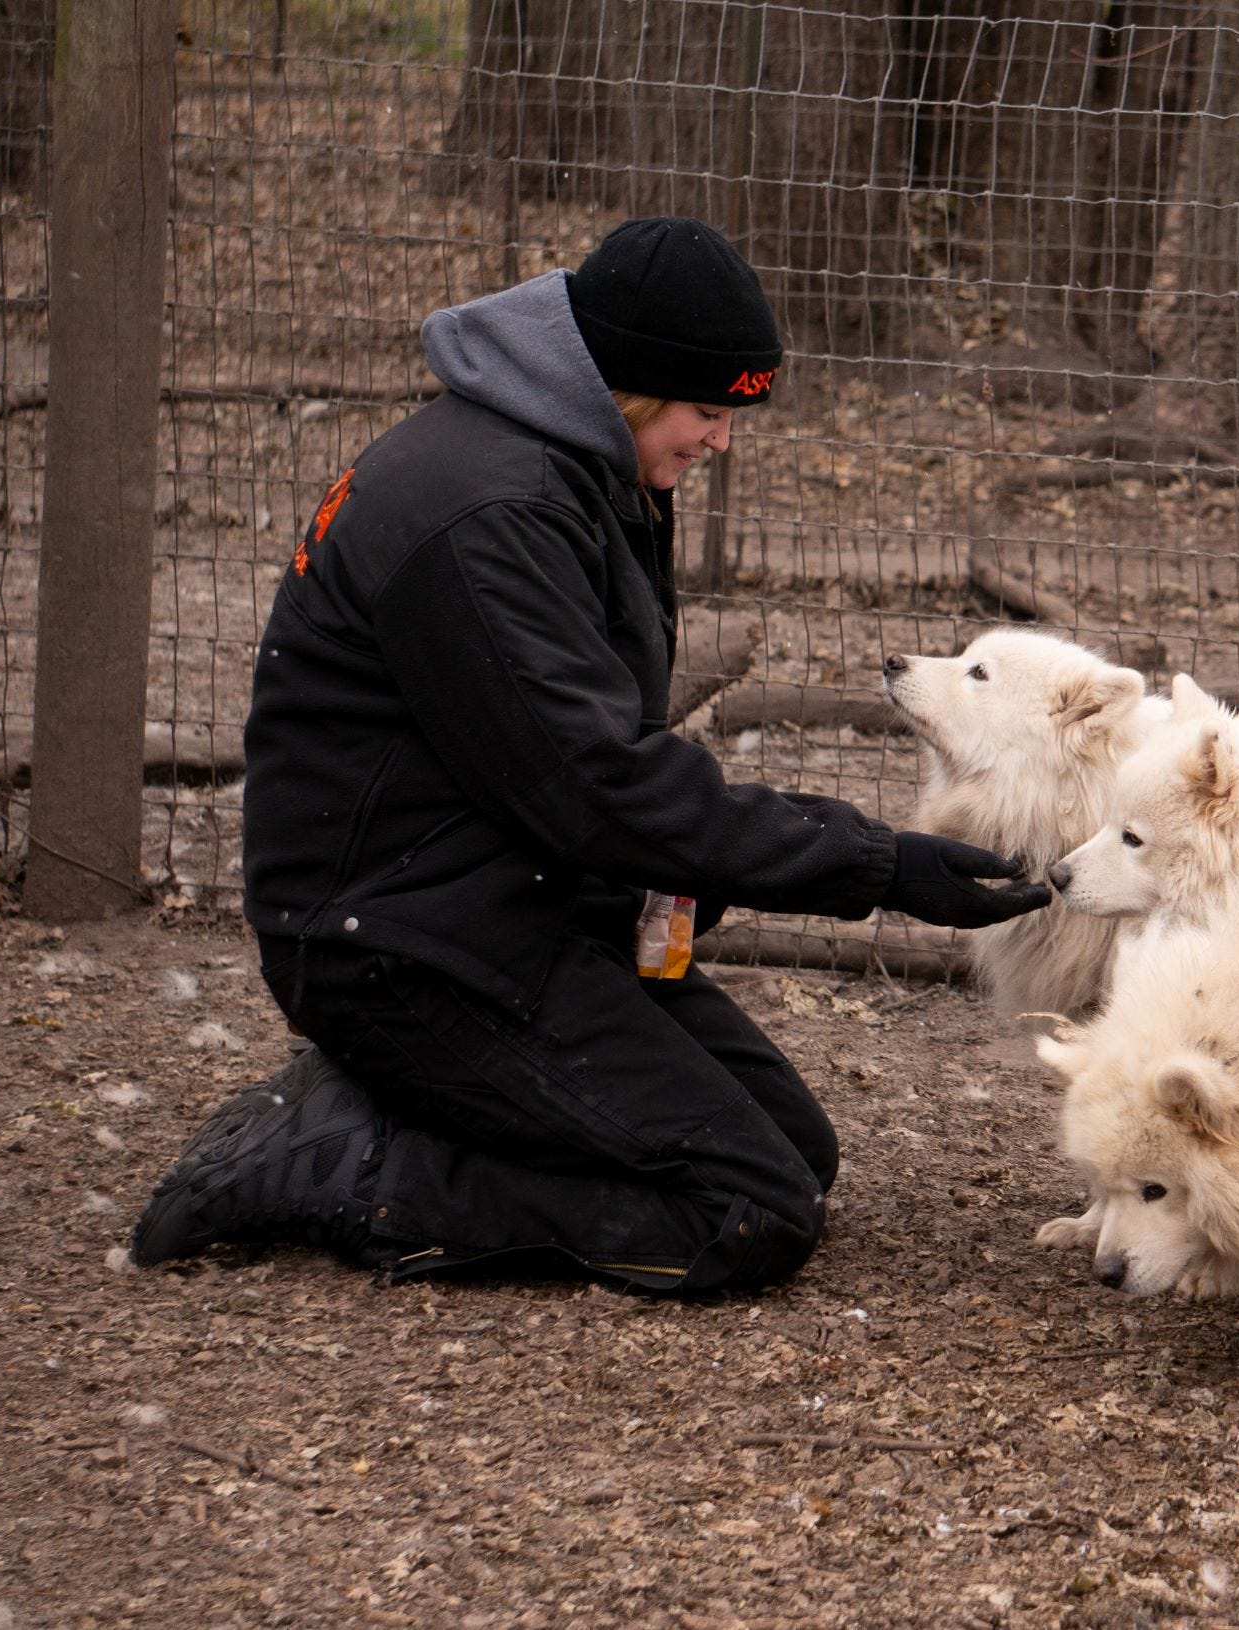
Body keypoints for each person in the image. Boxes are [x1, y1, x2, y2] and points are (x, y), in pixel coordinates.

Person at [128, 218, 1049, 1293]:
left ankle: (398, 1099)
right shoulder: (491, 514)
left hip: (499, 907)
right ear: (627, 384)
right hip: (392, 947)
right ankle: (351, 1157)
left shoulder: (579, 466)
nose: (719, 442)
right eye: (707, 412)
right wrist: (874, 865)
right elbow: (596, 781)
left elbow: (579, 757)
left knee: (797, 1150)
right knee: (743, 1210)